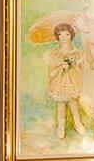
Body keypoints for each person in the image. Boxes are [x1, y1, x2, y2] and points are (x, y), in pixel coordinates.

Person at [26, 11, 85, 142]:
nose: (63, 37)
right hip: (59, 83)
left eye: (66, 34)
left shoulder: (78, 53)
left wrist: (73, 65)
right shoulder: (53, 54)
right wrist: (60, 66)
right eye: (60, 34)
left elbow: (81, 72)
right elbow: (51, 74)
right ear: (57, 36)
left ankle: (78, 123)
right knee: (61, 106)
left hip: (73, 83)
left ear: (71, 35)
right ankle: (61, 127)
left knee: (73, 104)